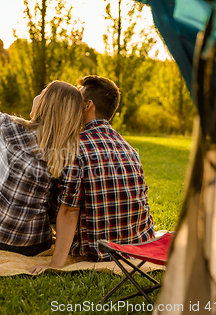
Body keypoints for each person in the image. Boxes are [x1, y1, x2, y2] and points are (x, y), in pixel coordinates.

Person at [0, 47, 84, 256]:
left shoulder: (13, 129)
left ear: (46, 104)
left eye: (42, 94)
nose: (37, 96)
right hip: (38, 244)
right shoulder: (70, 151)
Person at [30, 75, 155, 273]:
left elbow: (70, 211)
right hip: (138, 244)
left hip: (100, 251)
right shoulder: (130, 149)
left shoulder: (75, 147)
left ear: (88, 105)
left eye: (76, 100)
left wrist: (55, 265)